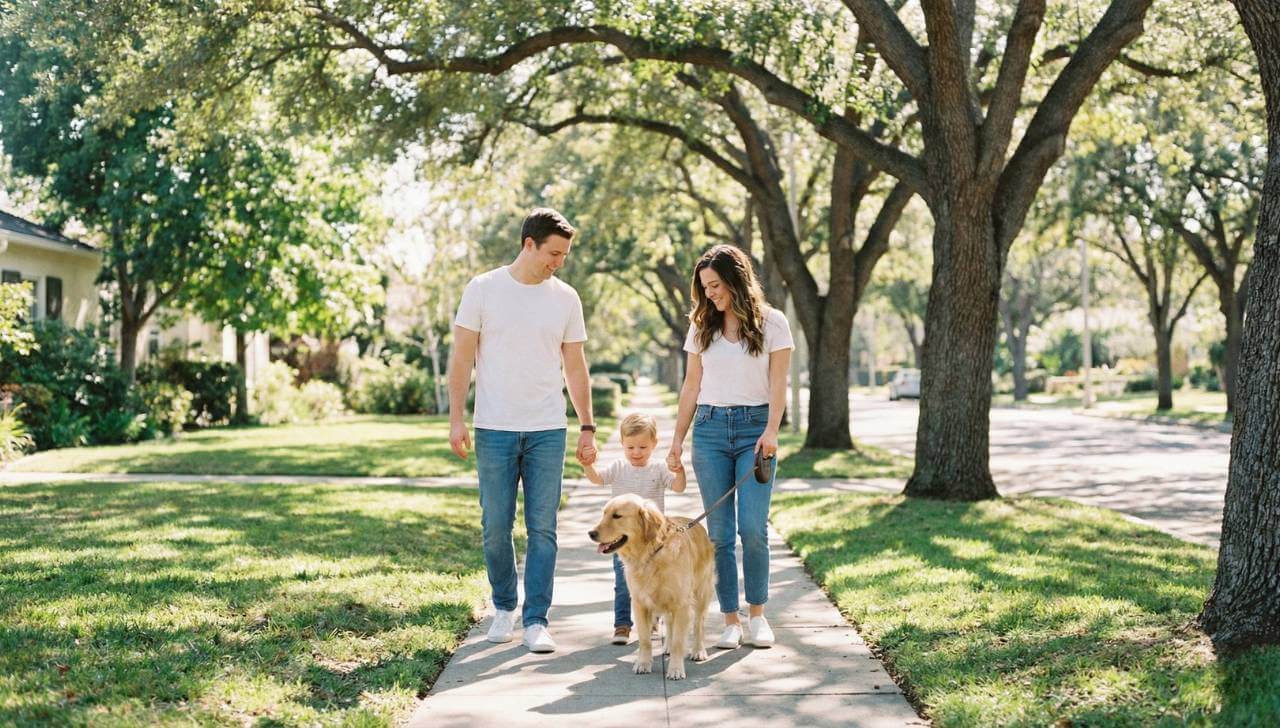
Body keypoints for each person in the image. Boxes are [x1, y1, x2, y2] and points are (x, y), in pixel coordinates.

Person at [448, 207, 598, 654]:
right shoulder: (483, 290)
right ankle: (504, 606)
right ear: (528, 244)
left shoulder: (566, 298)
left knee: (543, 529)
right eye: (553, 253)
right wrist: (456, 417)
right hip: (493, 427)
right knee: (495, 527)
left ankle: (536, 620)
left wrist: (587, 425)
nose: (559, 262)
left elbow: (575, 365)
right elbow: (461, 359)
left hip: (547, 429)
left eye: (565, 255)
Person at [665, 244, 793, 650]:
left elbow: (778, 384)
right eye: (705, 288)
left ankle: (757, 615)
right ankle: (731, 620)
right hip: (710, 430)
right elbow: (691, 386)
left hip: (756, 430)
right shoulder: (702, 326)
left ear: (737, 280)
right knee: (719, 535)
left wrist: (772, 430)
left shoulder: (773, 323)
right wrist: (677, 439)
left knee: (753, 529)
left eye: (716, 285)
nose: (711, 294)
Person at [582, 412, 687, 645]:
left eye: (642, 447)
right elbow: (598, 479)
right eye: (630, 447)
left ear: (654, 444)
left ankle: (653, 621)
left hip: (655, 540)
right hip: (623, 540)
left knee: (658, 581)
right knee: (623, 583)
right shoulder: (619, 468)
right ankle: (622, 625)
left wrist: (679, 470)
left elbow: (678, 488)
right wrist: (588, 465)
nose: (636, 453)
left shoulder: (659, 469)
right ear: (622, 445)